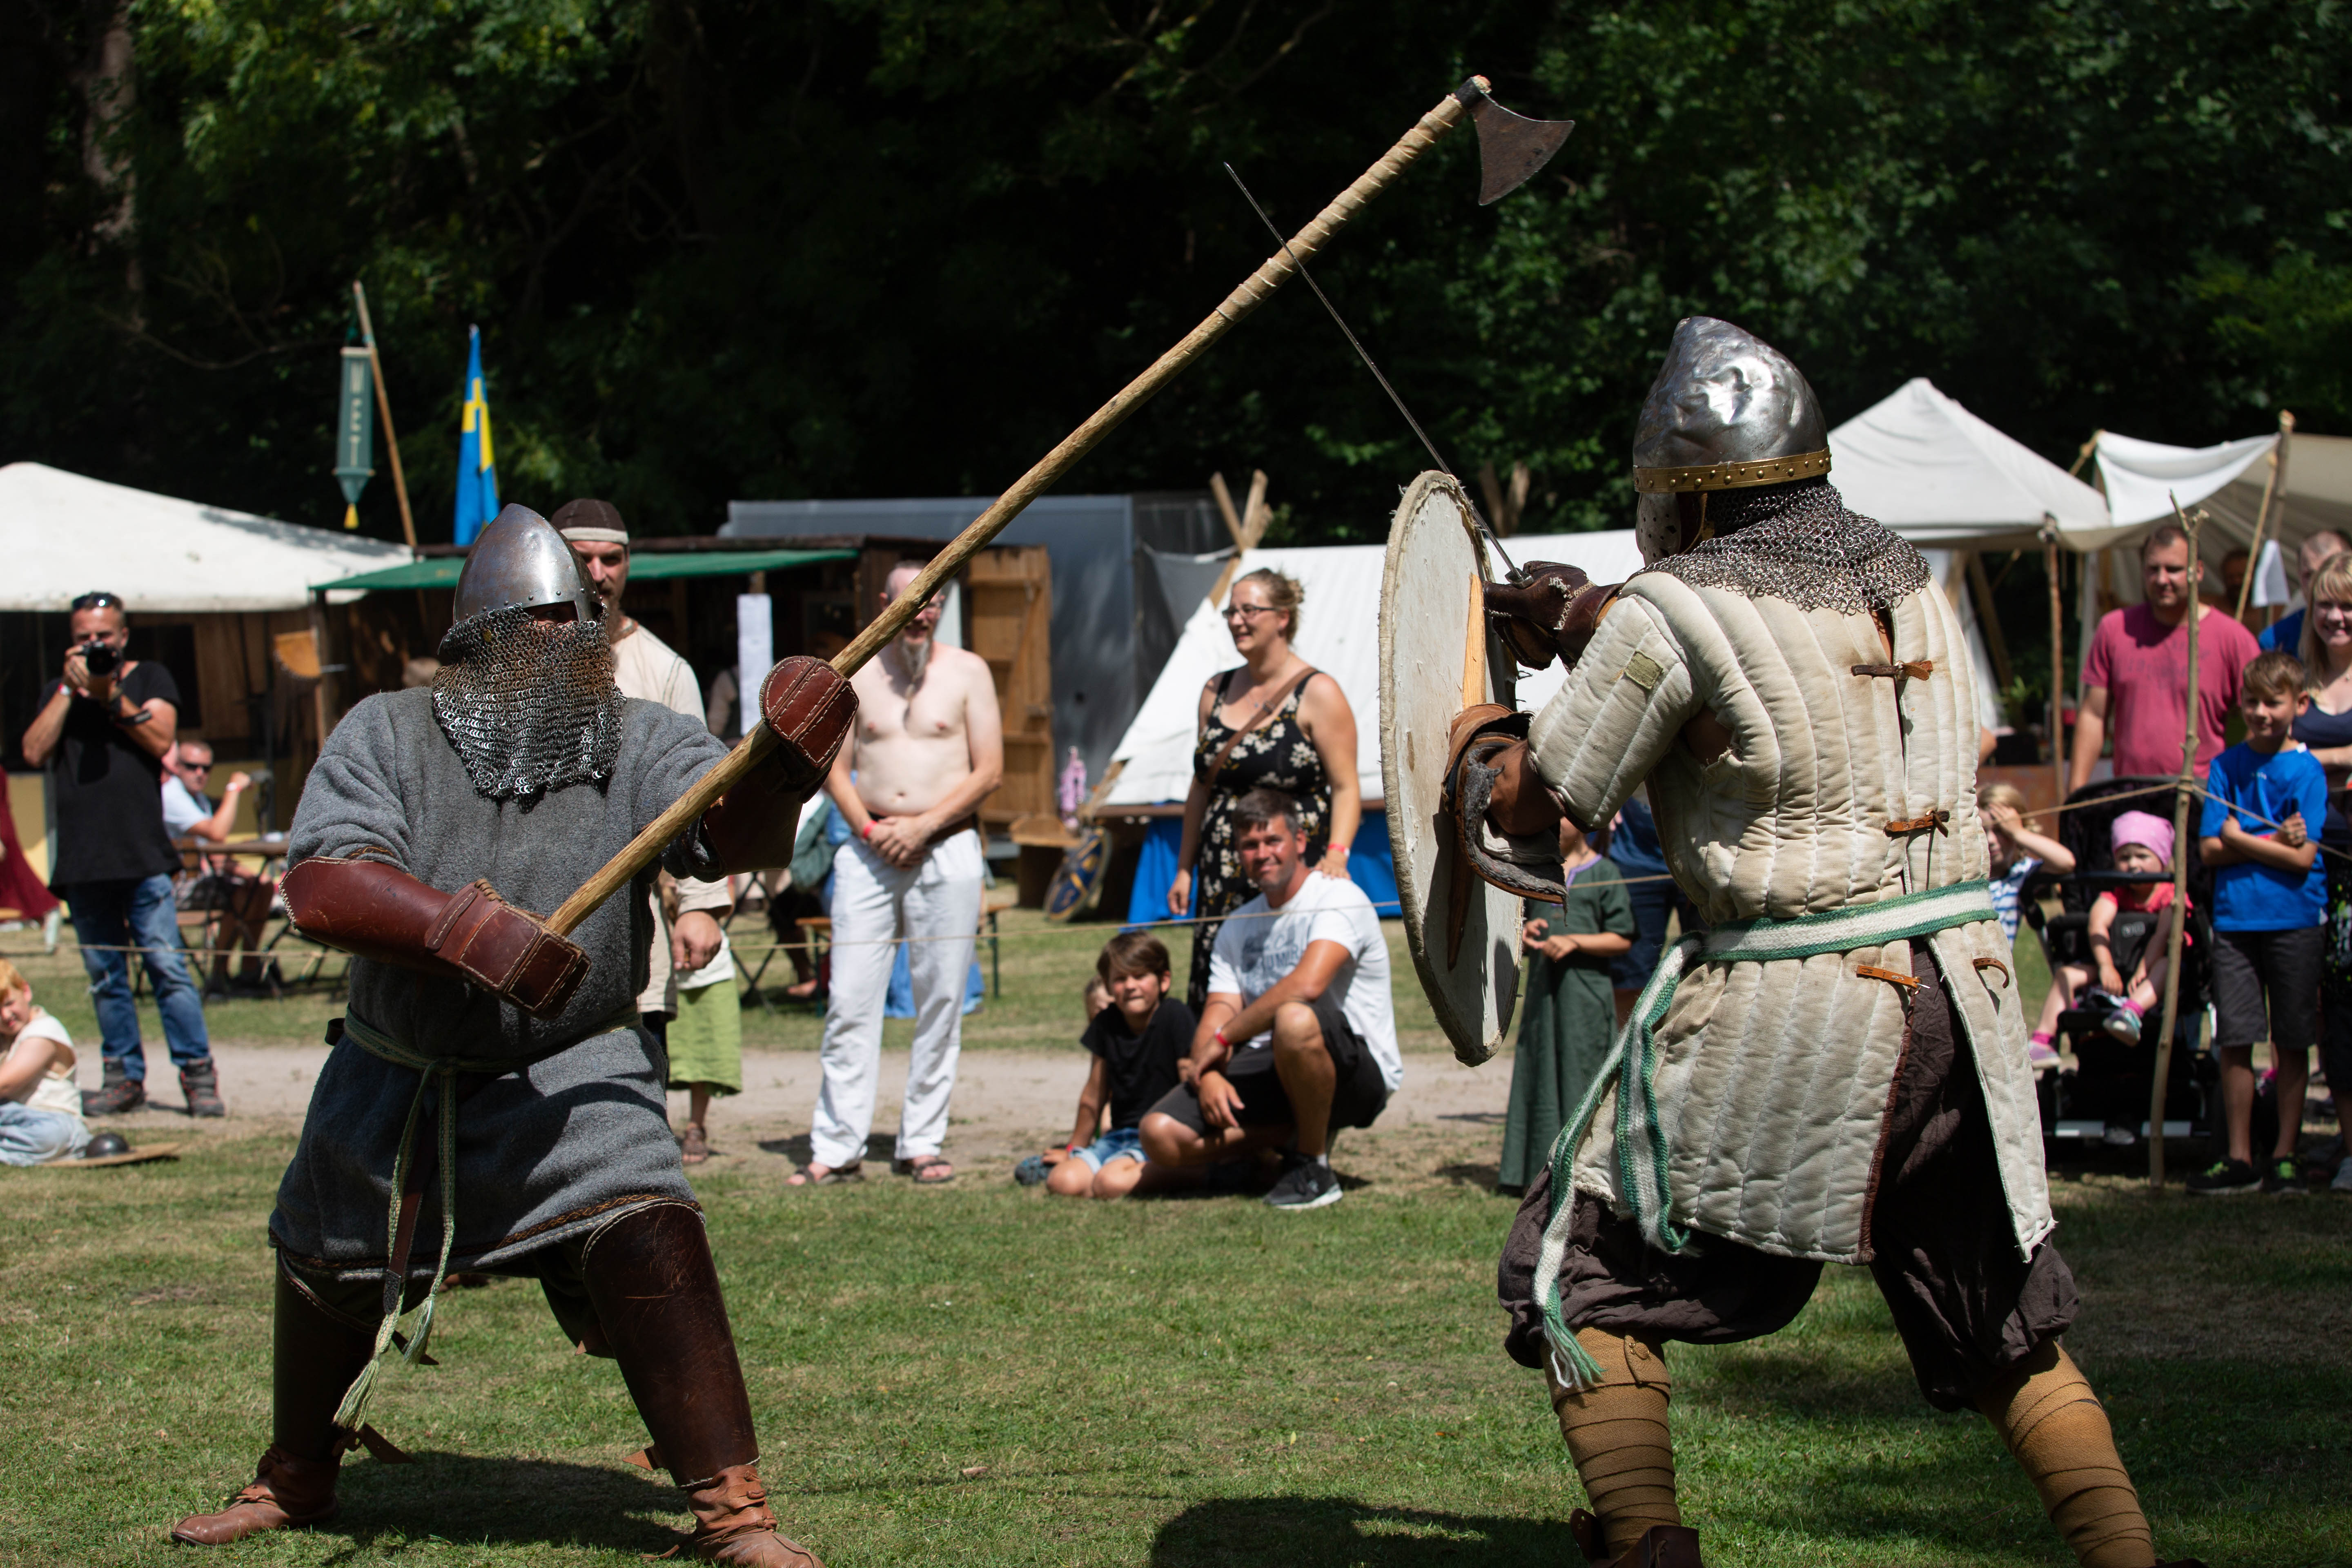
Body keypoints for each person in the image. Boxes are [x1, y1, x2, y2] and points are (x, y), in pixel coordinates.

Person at [1477, 317, 2199, 1567]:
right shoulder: (1907, 582)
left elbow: (1536, 807)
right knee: (2000, 1316)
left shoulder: (1669, 607)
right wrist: (1589, 612)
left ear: (1687, 498)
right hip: (1962, 1001)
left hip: (1800, 1004)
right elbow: (1772, 657)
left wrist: (1481, 735)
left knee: (1583, 1262)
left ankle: (1645, 1542)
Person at [166, 504, 855, 1563]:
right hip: (401, 1072)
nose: (563, 635)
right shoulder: (388, 732)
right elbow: (322, 882)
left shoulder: (639, 736)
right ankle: (297, 1477)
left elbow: (723, 839)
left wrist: (779, 772)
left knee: (649, 1214)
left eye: (574, 620)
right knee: (323, 1255)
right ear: (479, 636)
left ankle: (733, 1514)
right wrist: (464, 931)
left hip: (575, 1069)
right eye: (538, 619)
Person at [795, 560, 1003, 1187]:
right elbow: (832, 769)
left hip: (947, 845)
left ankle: (922, 1143)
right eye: (909, 601)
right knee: (850, 1000)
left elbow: (989, 770)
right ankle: (838, 1146)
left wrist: (925, 826)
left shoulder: (969, 671)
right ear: (884, 605)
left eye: (932, 601)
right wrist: (869, 831)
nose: (921, 613)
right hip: (870, 848)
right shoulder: (855, 672)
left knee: (942, 1000)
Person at [557, 499, 736, 1160]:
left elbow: (700, 797)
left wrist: (701, 904)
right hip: (531, 903)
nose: (599, 573)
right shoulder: (508, 662)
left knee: (630, 1100)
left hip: (630, 916)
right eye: (583, 559)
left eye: (612, 559)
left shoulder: (662, 670)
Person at [1139, 788, 1401, 1212]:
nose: (1262, 854)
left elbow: (1307, 986)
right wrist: (1209, 1073)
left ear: (1299, 841)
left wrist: (1222, 1043)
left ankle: (1312, 1168)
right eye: (1249, 845)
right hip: (1272, 1066)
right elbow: (1220, 1008)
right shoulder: (1237, 925)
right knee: (1159, 1133)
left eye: (1272, 840)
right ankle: (1276, 1143)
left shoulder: (1338, 896)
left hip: (1355, 1072)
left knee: (1294, 1019)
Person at [18, 590, 223, 1118]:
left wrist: (110, 694)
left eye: (103, 636)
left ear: (123, 636)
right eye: (83, 637)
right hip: (83, 860)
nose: (94, 645)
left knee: (168, 969)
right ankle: (123, 1077)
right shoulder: (59, 690)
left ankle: (198, 1075)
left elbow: (162, 741)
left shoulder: (149, 678)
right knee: (107, 977)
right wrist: (71, 688)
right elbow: (34, 751)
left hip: (142, 855)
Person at [1165, 568, 1363, 1009]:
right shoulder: (1215, 691)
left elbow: (1346, 786)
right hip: (1221, 872)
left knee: (1284, 989)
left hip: (1288, 870)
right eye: (1231, 612)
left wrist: (1337, 854)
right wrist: (1184, 867)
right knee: (1221, 990)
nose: (1237, 621)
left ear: (1282, 618)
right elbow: (1201, 788)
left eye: (1249, 610)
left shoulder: (1319, 692)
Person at [2189, 649, 2327, 1197]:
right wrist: (2269, 840)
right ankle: (2240, 1156)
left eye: (2273, 702)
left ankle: (2286, 1154)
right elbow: (2208, 849)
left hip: (2295, 919)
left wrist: (2238, 836)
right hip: (2236, 920)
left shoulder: (2308, 771)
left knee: (2292, 1040)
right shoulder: (2226, 767)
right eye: (2252, 702)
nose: (2262, 713)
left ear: (2300, 704)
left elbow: (2303, 859)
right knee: (2237, 1037)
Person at [2070, 524, 2260, 795]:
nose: (2161, 579)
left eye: (2173, 569)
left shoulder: (2232, 638)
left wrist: (2238, 786)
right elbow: (2093, 714)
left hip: (2202, 795)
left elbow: (2265, 715)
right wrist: (2076, 793)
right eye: (2153, 569)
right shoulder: (2115, 629)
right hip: (2131, 793)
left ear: (2198, 571)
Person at [1499, 818, 1633, 1193]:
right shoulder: (1537, 873)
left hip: (1584, 997)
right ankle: (1531, 1170)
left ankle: (1583, 1170)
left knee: (1582, 1073)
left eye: (1564, 816)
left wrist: (1576, 942)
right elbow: (1520, 923)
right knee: (1540, 1070)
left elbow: (1623, 938)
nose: (1555, 822)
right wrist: (1525, 932)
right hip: (1543, 995)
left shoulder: (1605, 873)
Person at [2025, 814, 2182, 1109]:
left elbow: (2163, 935)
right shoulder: (2115, 893)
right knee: (2067, 974)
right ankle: (2043, 1040)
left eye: (2142, 856)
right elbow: (2098, 924)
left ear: (2162, 858)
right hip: (2110, 967)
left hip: (2151, 970)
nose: (2133, 864)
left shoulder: (2170, 893)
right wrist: (2106, 965)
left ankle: (2131, 1012)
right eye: (2124, 857)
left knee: (2167, 966)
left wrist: (2144, 968)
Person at [2289, 552, 2352, 1193]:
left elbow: (2301, 754)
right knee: (2323, 997)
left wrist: (2318, 757)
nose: (2336, 616)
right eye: (2327, 604)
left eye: (2349, 605)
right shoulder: (2300, 677)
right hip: (2303, 858)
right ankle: (2341, 1129)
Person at [1046, 932, 1194, 1200]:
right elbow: (1094, 1096)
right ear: (1108, 985)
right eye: (1120, 979)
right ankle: (1112, 1173)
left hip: (1160, 1138)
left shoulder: (1176, 1016)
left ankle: (1199, 1171)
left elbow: (1189, 1081)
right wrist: (1073, 1149)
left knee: (1111, 1183)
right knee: (1062, 1181)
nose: (1130, 986)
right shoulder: (1106, 1024)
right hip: (1119, 1137)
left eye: (1140, 976)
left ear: (1164, 981)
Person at [163, 739, 275, 992]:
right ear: (177, 767)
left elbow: (215, 855)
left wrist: (250, 875)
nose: (200, 773)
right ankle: (219, 973)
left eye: (206, 768)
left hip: (202, 880)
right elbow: (217, 834)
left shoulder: (197, 800)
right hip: (172, 889)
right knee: (238, 894)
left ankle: (248, 971)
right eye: (192, 766)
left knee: (262, 886)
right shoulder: (171, 795)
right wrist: (233, 789)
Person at [662, 873, 742, 1167]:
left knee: (705, 1054)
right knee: (655, 1057)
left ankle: (696, 1126)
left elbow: (726, 899)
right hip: (657, 976)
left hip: (707, 974)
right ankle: (657, 1128)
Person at [0, 959, 91, 1165]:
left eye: (9, 1004)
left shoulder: (44, 1031)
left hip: (51, 1120)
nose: (5, 1016)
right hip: (11, 1121)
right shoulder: (5, 1038)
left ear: (26, 991)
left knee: (50, 1135)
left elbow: (4, 1085)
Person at [2256, 528, 2350, 653]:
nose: (2317, 585)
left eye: (2328, 574)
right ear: (2299, 575)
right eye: (2309, 575)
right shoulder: (2276, 640)